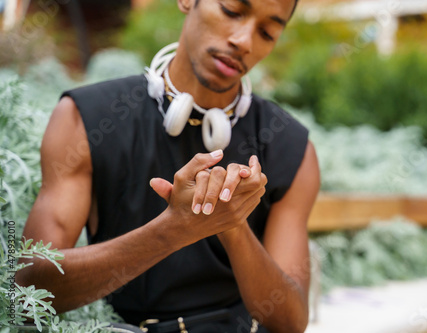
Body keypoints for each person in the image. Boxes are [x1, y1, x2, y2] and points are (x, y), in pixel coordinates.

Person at [17, 0, 320, 332]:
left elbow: (290, 322)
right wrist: (173, 230)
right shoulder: (85, 118)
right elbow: (25, 289)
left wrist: (232, 225)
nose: (244, 41)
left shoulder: (291, 147)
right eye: (232, 11)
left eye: (267, 31)